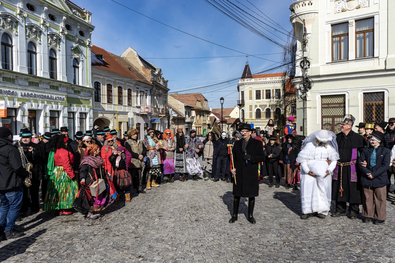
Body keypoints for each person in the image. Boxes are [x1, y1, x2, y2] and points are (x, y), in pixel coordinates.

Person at [296, 130, 339, 219]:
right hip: (309, 173)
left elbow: (334, 160)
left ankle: (322, 210)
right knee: (308, 190)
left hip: (323, 173)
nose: (321, 143)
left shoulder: (329, 147)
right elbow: (303, 159)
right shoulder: (309, 146)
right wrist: (307, 170)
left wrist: (330, 169)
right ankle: (307, 210)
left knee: (322, 190)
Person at [230, 123, 265, 224]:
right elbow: (234, 158)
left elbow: (262, 157)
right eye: (242, 132)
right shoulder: (237, 143)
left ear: (250, 133)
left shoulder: (257, 143)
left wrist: (251, 158)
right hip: (239, 172)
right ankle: (234, 215)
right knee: (236, 195)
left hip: (251, 172)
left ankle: (250, 215)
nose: (243, 133)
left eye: (245, 132)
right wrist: (233, 168)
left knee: (251, 195)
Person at [332, 114, 365, 219]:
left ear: (349, 126)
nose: (341, 126)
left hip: (352, 167)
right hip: (340, 167)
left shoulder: (358, 138)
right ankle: (340, 209)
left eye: (343, 124)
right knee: (339, 187)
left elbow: (363, 152)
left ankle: (353, 210)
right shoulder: (337, 137)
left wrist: (365, 161)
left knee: (353, 188)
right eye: (341, 124)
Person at [0, 127, 29, 239]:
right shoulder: (10, 149)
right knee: (14, 206)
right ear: (8, 136)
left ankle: (1, 228)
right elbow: (17, 167)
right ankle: (8, 230)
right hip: (11, 183)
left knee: (4, 206)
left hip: (1, 184)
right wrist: (26, 174)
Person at [359, 131, 390, 224]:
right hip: (367, 177)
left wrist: (374, 174)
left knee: (380, 198)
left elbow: (385, 165)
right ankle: (367, 215)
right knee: (367, 197)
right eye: (371, 140)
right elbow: (360, 163)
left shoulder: (385, 151)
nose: (371, 141)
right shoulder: (365, 150)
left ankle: (380, 217)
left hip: (379, 178)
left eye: (373, 140)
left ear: (379, 141)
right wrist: (368, 172)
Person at [44, 135, 78, 215]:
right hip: (63, 173)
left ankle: (58, 208)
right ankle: (63, 209)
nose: (67, 143)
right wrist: (72, 176)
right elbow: (66, 165)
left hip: (56, 172)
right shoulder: (63, 151)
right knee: (64, 190)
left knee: (57, 191)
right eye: (65, 141)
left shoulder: (55, 150)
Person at [79, 144, 114, 219]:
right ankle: (90, 212)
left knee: (99, 196)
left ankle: (96, 211)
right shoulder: (87, 161)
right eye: (97, 149)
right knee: (91, 198)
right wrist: (82, 178)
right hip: (90, 182)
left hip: (98, 181)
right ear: (93, 151)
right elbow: (83, 171)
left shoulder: (98, 159)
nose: (99, 150)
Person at [19, 128, 44, 215]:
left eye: (27, 137)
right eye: (23, 137)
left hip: (35, 173)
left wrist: (33, 152)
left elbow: (41, 160)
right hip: (23, 174)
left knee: (34, 192)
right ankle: (23, 208)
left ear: (31, 138)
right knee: (24, 192)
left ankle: (35, 207)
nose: (25, 139)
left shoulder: (36, 147)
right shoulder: (18, 146)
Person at [124, 128, 146, 193]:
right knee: (133, 176)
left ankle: (139, 188)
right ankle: (132, 188)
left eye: (136, 134)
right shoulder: (127, 142)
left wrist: (142, 155)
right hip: (133, 162)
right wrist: (137, 156)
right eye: (134, 134)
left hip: (140, 161)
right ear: (131, 135)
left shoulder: (140, 141)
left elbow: (144, 149)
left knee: (139, 175)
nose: (135, 135)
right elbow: (129, 152)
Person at [385, 118, 395, 194]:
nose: (390, 125)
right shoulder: (386, 133)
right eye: (389, 124)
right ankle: (386, 192)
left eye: (392, 124)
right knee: (387, 175)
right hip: (388, 156)